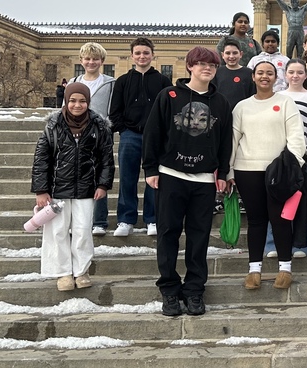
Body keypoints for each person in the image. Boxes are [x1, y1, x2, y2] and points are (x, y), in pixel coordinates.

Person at [142, 47, 232, 317]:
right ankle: (169, 289)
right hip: (171, 175)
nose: (208, 69)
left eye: (212, 65)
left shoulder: (220, 103)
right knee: (168, 233)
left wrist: (223, 173)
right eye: (202, 64)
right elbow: (153, 132)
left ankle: (194, 290)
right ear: (190, 67)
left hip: (204, 179)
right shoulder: (168, 96)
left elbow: (225, 140)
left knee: (198, 236)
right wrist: (150, 168)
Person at [227, 60, 306, 291]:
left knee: (280, 219)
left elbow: (296, 137)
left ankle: (285, 268)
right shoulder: (241, 106)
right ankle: (254, 269)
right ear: (253, 77)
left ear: (276, 77)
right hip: (247, 169)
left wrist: (293, 165)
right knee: (256, 221)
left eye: (269, 73)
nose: (264, 77)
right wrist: (229, 169)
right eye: (260, 73)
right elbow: (233, 140)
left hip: (278, 172)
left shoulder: (285, 102)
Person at [31, 83, 114, 292]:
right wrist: (42, 190)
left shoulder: (98, 126)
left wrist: (103, 184)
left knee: (83, 230)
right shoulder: (53, 126)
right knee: (57, 231)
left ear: (88, 102)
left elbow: (106, 158)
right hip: (58, 189)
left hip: (86, 188)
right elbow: (42, 160)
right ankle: (63, 272)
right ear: (66, 101)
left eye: (82, 101)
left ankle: (81, 270)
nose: (77, 105)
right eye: (73, 100)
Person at [109, 37, 172, 237]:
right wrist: (123, 129)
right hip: (130, 135)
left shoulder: (162, 81)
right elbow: (115, 110)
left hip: (155, 137)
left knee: (154, 179)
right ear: (132, 56)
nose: (142, 56)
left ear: (153, 55)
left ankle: (152, 219)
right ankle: (126, 219)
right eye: (138, 53)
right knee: (128, 177)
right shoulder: (123, 81)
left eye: (146, 53)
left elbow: (168, 110)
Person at [265, 58, 307, 260]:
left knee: (300, 202)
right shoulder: (278, 97)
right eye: (291, 72)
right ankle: (272, 243)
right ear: (285, 74)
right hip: (279, 159)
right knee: (276, 200)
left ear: (305, 75)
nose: (295, 76)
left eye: (300, 72)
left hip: (302, 158)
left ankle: (302, 243)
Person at [66, 43, 116, 235]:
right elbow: (66, 109)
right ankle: (78, 221)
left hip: (100, 136)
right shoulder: (73, 82)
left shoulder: (110, 83)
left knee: (99, 178)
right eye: (87, 59)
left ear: (102, 61)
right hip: (76, 135)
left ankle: (99, 221)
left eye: (95, 59)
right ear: (81, 61)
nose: (91, 62)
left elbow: (112, 110)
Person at [211, 38, 255, 112]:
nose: (231, 56)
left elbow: (253, 95)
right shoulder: (217, 72)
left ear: (241, 54)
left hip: (243, 112)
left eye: (235, 53)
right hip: (221, 112)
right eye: (228, 53)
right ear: (222, 55)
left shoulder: (249, 73)